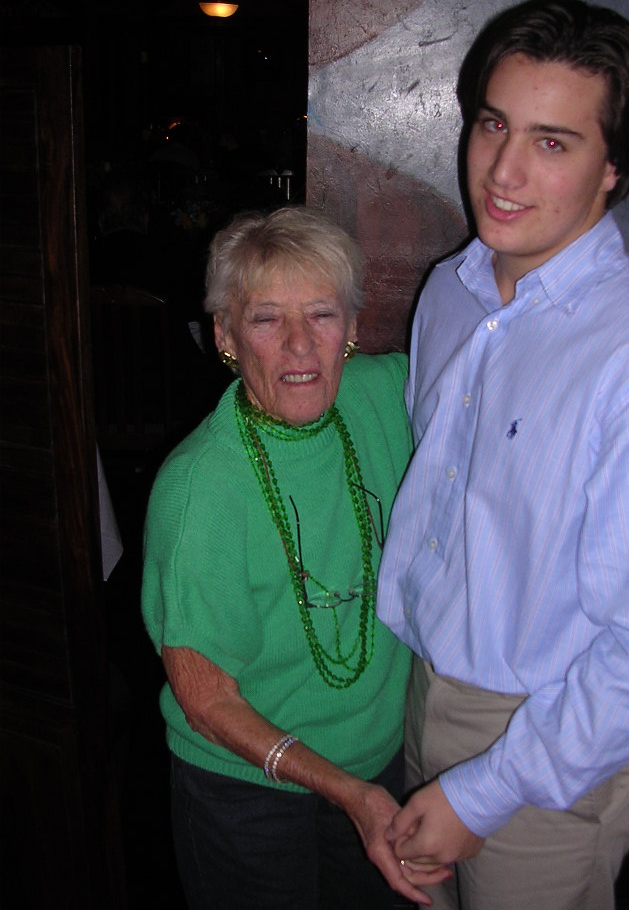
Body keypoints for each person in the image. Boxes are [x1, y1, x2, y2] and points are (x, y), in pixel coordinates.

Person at [376, 0, 629, 909]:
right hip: (423, 689)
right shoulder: (450, 292)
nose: (503, 171)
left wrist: (484, 790)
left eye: (553, 142)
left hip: (555, 741)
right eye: (492, 124)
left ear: (614, 167)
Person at [141, 206, 446, 909]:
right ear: (224, 336)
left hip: (377, 769)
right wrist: (346, 792)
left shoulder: (385, 396)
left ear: (353, 328)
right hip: (245, 791)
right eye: (266, 319)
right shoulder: (199, 489)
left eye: (322, 314)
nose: (301, 344)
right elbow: (208, 701)